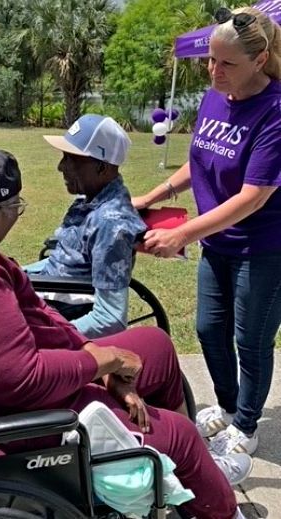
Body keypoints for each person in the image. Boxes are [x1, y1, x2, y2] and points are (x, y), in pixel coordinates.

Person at [0, 142, 251, 519]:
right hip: (16, 420)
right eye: (14, 208)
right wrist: (100, 365)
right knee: (181, 436)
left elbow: (41, 319)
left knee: (156, 346)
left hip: (29, 384)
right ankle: (209, 493)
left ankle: (183, 475)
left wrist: (94, 357)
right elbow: (19, 380)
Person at [133, 6, 281, 457]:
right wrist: (154, 195)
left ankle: (247, 426)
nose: (214, 70)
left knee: (250, 338)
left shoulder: (275, 111)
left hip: (263, 248)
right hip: (218, 243)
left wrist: (183, 234)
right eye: (210, 61)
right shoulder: (217, 96)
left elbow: (253, 196)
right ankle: (230, 405)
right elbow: (199, 156)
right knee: (208, 329)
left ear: (260, 60)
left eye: (226, 63)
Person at [25, 114, 145, 339]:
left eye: (72, 159)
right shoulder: (91, 199)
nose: (61, 166)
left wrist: (51, 336)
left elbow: (110, 318)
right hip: (45, 288)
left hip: (57, 307)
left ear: (102, 168)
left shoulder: (110, 223)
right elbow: (64, 262)